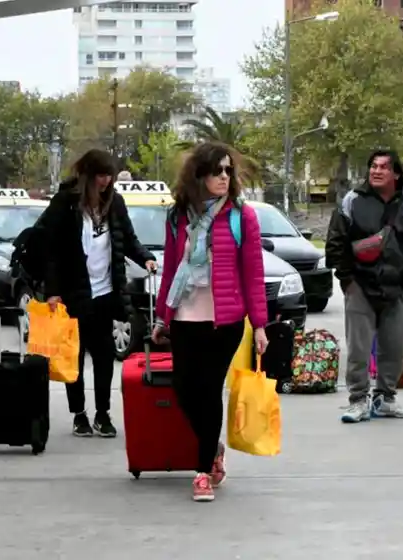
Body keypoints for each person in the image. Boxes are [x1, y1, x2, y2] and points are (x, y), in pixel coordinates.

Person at [151, 142, 267, 502]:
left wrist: (260, 325)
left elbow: (253, 273)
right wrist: (161, 315)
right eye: (216, 170)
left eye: (228, 171)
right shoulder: (179, 216)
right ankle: (212, 446)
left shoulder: (240, 216)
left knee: (209, 390)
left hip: (225, 320)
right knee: (185, 389)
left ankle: (201, 472)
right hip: (185, 315)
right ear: (199, 174)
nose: (223, 177)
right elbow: (171, 268)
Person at [40, 149, 157, 438]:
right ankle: (79, 413)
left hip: (106, 289)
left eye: (110, 177)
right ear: (88, 175)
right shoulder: (66, 202)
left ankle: (103, 412)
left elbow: (127, 238)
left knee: (104, 354)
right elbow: (51, 249)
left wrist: (145, 258)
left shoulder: (114, 202)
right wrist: (53, 291)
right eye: (101, 176)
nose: (106, 182)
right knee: (75, 355)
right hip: (73, 291)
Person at [325, 149, 403, 424]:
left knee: (395, 347)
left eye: (384, 167)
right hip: (360, 286)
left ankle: (385, 399)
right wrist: (347, 280)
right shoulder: (352, 201)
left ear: (396, 173)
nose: (377, 170)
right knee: (359, 349)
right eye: (373, 165)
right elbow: (335, 241)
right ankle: (358, 400)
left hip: (399, 289)